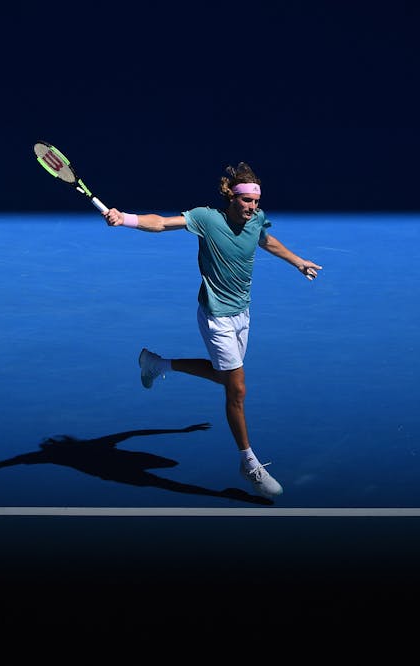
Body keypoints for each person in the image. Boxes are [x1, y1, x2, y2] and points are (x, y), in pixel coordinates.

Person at [102, 162, 322, 500]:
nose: (252, 207)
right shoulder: (207, 219)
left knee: (225, 378)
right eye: (246, 201)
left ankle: (157, 364)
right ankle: (249, 463)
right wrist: (125, 218)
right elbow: (161, 223)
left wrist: (298, 261)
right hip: (216, 316)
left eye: (256, 201)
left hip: (242, 314)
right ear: (231, 197)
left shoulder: (256, 220)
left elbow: (267, 241)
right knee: (237, 390)